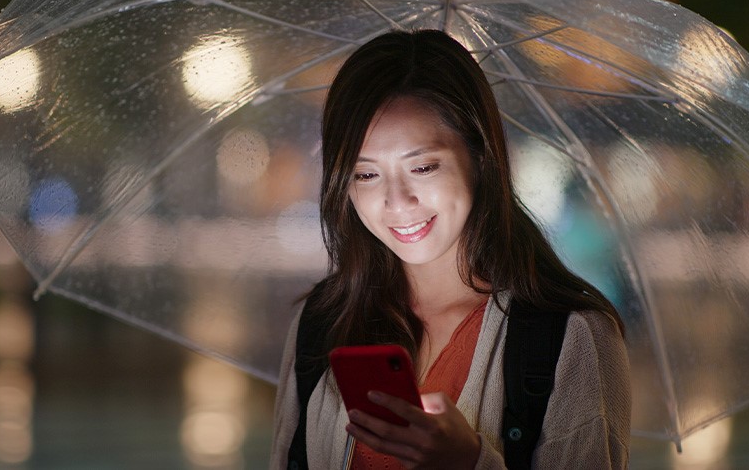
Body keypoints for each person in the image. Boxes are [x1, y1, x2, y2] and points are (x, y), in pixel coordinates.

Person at [270, 29, 630, 469]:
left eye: (422, 167)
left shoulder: (567, 338)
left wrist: (470, 462)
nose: (397, 202)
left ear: (480, 158)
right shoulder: (321, 322)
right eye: (365, 175)